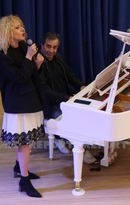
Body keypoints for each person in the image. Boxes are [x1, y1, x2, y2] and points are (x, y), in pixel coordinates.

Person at [0, 15, 45, 198]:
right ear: (7, 32)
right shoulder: (1, 57)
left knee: (27, 141)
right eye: (17, 27)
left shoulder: (22, 47)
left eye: (22, 26)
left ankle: (18, 166)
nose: (23, 29)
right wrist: (29, 58)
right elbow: (19, 78)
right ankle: (24, 180)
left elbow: (28, 75)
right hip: (17, 103)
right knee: (25, 143)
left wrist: (36, 65)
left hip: (30, 99)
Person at [39, 32, 97, 163]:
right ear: (42, 45)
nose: (51, 51)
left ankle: (69, 139)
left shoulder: (57, 58)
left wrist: (81, 85)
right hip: (48, 105)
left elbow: (70, 75)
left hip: (63, 100)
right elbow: (45, 91)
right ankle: (82, 150)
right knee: (72, 121)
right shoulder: (38, 63)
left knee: (86, 113)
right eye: (48, 46)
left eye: (55, 47)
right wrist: (68, 97)